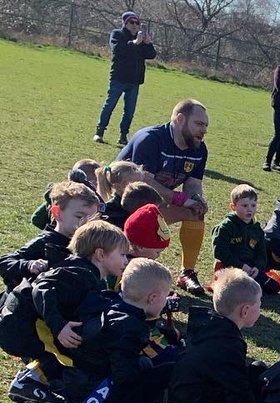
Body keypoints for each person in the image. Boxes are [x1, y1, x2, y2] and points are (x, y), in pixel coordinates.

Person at [2, 220, 128, 403]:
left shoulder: (89, 273)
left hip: (21, 323)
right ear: (100, 254)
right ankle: (28, 381)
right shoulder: (80, 273)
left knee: (71, 347)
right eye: (122, 254)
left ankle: (37, 379)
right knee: (71, 353)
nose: (126, 260)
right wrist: (59, 325)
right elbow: (42, 288)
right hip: (19, 326)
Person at [116, 99, 210, 296]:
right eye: (199, 124)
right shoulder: (150, 139)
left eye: (205, 126)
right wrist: (179, 198)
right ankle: (127, 268)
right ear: (180, 119)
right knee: (146, 214)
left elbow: (193, 183)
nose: (204, 130)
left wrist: (196, 199)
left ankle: (187, 273)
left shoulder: (199, 149)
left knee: (196, 213)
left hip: (154, 205)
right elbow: (144, 184)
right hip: (123, 205)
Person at [69, 258, 178, 403]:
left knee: (145, 362)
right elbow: (124, 376)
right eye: (166, 297)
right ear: (153, 298)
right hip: (97, 391)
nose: (166, 302)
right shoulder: (131, 327)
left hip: (81, 379)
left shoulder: (110, 304)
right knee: (172, 368)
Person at [167, 269, 264, 403]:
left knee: (257, 369)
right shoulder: (227, 344)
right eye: (259, 304)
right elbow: (237, 391)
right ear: (245, 310)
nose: (260, 309)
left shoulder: (207, 326)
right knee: (255, 387)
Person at [1, 181, 99, 291]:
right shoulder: (46, 242)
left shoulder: (90, 244)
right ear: (57, 213)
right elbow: (5, 262)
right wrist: (29, 265)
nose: (86, 224)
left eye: (92, 219)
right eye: (79, 217)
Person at [94, 11, 157, 147]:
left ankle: (123, 136)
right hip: (118, 78)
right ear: (125, 23)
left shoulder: (141, 39)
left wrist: (148, 43)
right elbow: (118, 49)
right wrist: (135, 42)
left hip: (134, 81)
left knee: (129, 111)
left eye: (137, 23)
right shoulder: (117, 34)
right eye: (131, 22)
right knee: (110, 105)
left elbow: (151, 55)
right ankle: (100, 131)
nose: (134, 25)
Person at [211, 184, 279, 297]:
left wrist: (257, 268)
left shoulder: (257, 230)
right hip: (230, 268)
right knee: (239, 290)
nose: (249, 209)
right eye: (245, 205)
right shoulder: (225, 227)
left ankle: (250, 283)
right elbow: (220, 252)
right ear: (233, 206)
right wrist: (241, 266)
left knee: (273, 287)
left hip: (251, 269)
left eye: (253, 205)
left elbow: (262, 253)